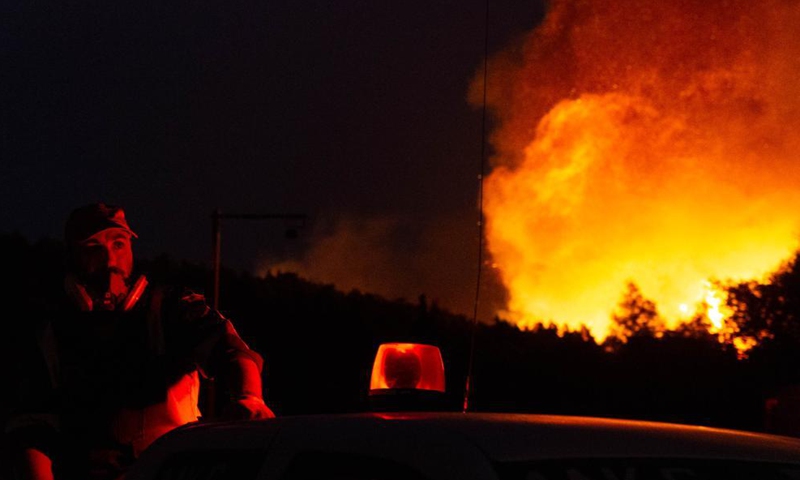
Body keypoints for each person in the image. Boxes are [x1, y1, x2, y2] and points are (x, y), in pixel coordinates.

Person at [6, 203, 274, 480]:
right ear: (73, 257)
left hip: (169, 471)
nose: (109, 260)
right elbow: (31, 427)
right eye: (93, 248)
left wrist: (250, 397)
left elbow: (231, 351)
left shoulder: (174, 309)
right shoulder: (51, 331)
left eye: (118, 245)